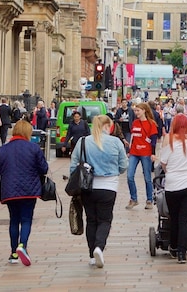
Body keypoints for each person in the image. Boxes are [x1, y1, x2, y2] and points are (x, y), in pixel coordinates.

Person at [0, 120, 48, 266]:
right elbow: (44, 169)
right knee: (26, 220)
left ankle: (13, 253)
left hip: (9, 191)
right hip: (29, 191)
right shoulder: (34, 148)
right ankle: (22, 245)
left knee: (14, 220)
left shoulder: (3, 150)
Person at [73, 114, 128, 268]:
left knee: (91, 220)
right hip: (108, 186)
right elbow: (123, 166)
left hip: (87, 186)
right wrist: (113, 169)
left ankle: (92, 255)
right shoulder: (115, 142)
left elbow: (73, 165)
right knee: (105, 220)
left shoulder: (83, 141)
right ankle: (99, 247)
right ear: (106, 126)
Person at [159, 115, 187, 264]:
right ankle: (182, 253)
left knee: (175, 217)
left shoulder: (168, 139)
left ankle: (174, 246)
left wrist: (170, 169)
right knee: (185, 219)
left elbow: (163, 163)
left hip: (173, 185)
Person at [126, 102, 158, 210]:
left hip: (145, 152)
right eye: (135, 111)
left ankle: (149, 199)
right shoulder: (135, 123)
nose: (136, 113)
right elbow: (133, 137)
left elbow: (153, 140)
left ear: (144, 111)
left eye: (138, 110)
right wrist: (129, 150)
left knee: (147, 177)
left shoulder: (151, 124)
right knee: (130, 175)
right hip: (134, 152)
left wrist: (153, 153)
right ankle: (133, 198)